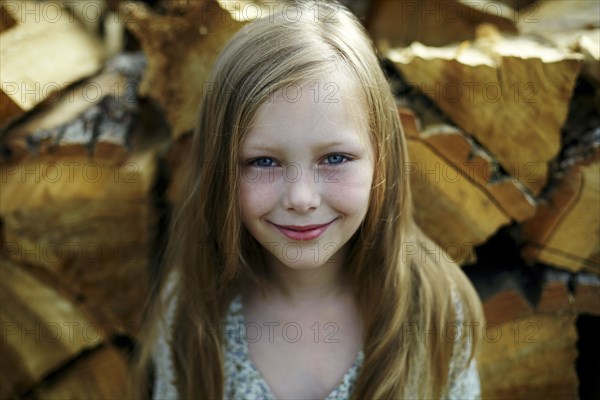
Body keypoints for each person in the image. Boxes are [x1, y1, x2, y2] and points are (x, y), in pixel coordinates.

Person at [135, 1, 485, 399]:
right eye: (263, 161)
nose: (301, 198)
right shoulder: (192, 308)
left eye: (335, 158)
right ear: (221, 170)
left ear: (381, 159)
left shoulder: (435, 311)